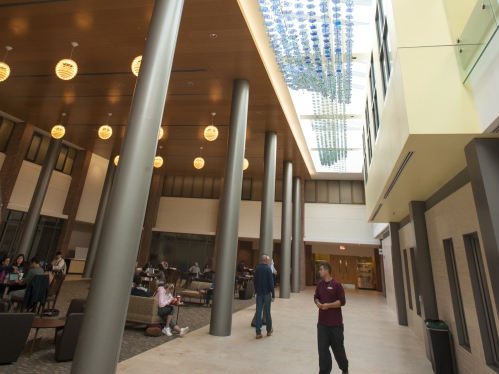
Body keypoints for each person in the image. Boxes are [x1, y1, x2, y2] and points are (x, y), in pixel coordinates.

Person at [314, 262, 349, 374]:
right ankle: (324, 371)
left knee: (338, 350)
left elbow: (342, 301)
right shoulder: (320, 284)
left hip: (335, 325)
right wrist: (318, 303)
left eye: (321, 269)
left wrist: (328, 306)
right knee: (323, 351)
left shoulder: (337, 285)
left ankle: (344, 369)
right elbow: (316, 297)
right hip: (322, 324)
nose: (319, 271)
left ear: (326, 271)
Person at [253, 254, 274, 339]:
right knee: (267, 311)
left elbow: (255, 281)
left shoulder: (257, 268)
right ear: (265, 260)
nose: (269, 261)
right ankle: (269, 330)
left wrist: (256, 290)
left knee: (258, 311)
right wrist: (273, 293)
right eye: (268, 260)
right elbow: (271, 282)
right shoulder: (268, 269)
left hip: (259, 293)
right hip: (266, 293)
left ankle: (258, 332)